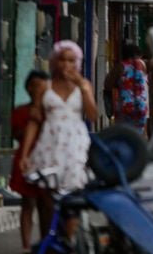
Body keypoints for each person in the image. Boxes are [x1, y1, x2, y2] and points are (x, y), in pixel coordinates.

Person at [19, 41, 97, 238]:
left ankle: (70, 246)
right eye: (61, 59)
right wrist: (25, 153)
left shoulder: (84, 85)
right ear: (54, 62)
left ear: (77, 63)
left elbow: (93, 115)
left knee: (72, 197)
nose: (66, 65)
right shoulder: (45, 87)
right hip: (50, 145)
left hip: (75, 146)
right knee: (47, 201)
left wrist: (84, 88)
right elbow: (34, 121)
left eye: (71, 60)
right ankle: (48, 243)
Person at [9, 70, 49, 251]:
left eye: (40, 86)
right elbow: (18, 135)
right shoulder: (20, 111)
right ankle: (26, 246)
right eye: (33, 86)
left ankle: (45, 244)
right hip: (27, 160)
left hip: (48, 161)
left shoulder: (53, 111)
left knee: (45, 206)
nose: (36, 90)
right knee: (28, 203)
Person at [111, 44, 150, 132]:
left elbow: (109, 84)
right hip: (140, 106)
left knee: (123, 134)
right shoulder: (142, 65)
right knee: (138, 133)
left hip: (125, 107)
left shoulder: (121, 66)